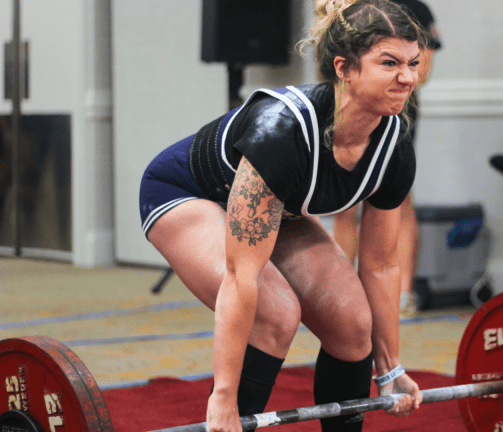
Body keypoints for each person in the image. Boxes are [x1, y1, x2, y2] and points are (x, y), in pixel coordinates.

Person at [138, 1, 427, 431]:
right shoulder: (283, 131)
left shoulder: (394, 143)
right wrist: (224, 399)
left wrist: (388, 371)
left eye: (413, 62)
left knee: (352, 323)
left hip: (276, 206)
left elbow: (382, 265)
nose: (407, 77)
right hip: (189, 194)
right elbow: (241, 277)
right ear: (344, 68)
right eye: (389, 63)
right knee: (274, 311)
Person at [332, 0, 441, 317]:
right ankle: (338, 291)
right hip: (350, 110)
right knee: (344, 204)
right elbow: (332, 65)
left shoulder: (417, 9)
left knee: (399, 201)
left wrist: (383, 79)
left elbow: (423, 69)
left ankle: (402, 293)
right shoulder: (349, 9)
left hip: (398, 114)